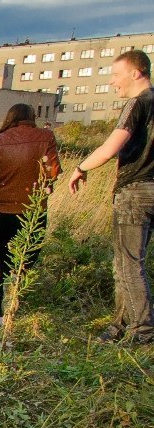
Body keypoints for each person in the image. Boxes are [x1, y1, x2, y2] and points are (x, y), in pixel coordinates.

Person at [69, 49, 154, 345]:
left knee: (129, 263)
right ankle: (120, 324)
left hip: (135, 190)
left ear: (136, 72)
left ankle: (142, 331)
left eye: (116, 75)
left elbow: (112, 145)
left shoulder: (137, 103)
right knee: (129, 261)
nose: (112, 83)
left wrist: (81, 166)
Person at [0, 104, 61, 326]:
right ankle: (14, 305)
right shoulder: (45, 137)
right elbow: (54, 171)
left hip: (1, 211)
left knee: (2, 261)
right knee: (25, 261)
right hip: (33, 211)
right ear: (32, 118)